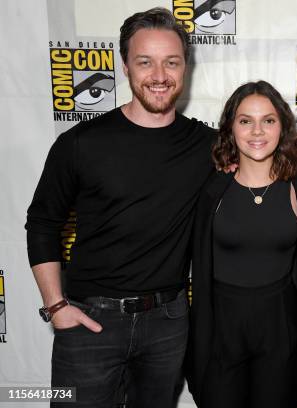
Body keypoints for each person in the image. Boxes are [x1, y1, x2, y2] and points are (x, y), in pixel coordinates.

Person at [25, 8, 216, 407]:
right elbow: (42, 222)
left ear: (185, 67)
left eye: (171, 62)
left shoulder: (207, 145)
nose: (159, 75)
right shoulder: (81, 143)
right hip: (90, 322)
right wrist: (56, 306)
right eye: (145, 62)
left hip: (168, 322)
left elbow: (265, 148)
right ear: (125, 65)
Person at [186, 80, 297, 408]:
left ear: (282, 127)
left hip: (280, 329)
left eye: (268, 120)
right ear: (231, 128)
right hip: (221, 330)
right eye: (246, 121)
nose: (257, 131)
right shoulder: (210, 189)